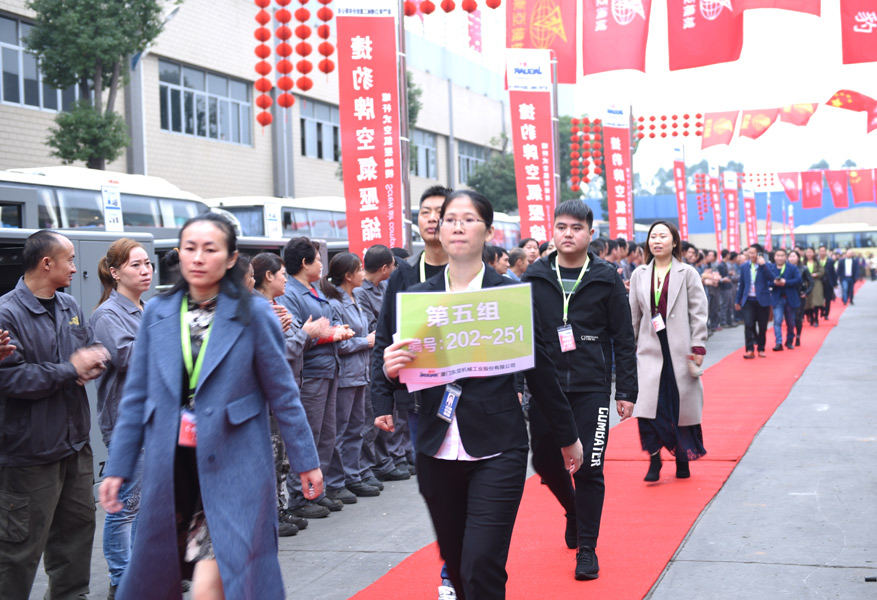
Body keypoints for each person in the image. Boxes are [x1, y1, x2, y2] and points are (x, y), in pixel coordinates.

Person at [99, 213, 322, 599]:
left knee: (212, 582)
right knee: (174, 574)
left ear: (231, 258)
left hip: (236, 465)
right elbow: (136, 398)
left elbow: (283, 394)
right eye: (190, 248)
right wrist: (118, 467)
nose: (198, 257)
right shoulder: (159, 313)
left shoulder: (254, 313)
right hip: (174, 469)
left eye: (210, 249)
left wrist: (307, 461)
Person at [374, 190, 583, 600]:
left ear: (488, 231)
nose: (457, 226)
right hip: (436, 445)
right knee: (458, 568)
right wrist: (389, 373)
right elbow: (396, 363)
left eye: (469, 219)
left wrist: (567, 435)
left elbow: (540, 370)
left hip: (498, 444)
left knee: (481, 563)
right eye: (450, 219)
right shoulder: (417, 298)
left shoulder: (509, 295)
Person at [522, 200, 637, 581]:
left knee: (589, 465)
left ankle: (587, 548)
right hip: (545, 386)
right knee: (544, 462)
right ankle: (572, 509)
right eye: (561, 227)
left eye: (576, 227)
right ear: (552, 231)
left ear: (590, 233)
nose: (568, 234)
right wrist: (518, 386)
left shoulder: (606, 276)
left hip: (592, 387)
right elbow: (519, 336)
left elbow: (623, 337)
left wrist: (626, 389)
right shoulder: (535, 276)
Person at [0, 230, 109, 600]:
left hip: (74, 446)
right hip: (30, 454)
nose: (75, 268)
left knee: (76, 538)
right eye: (70, 259)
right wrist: (70, 369)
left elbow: (90, 345)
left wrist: (96, 359)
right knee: (18, 552)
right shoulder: (7, 313)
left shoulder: (69, 306)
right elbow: (11, 379)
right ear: (47, 263)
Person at [90, 238, 154, 598]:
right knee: (124, 506)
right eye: (135, 265)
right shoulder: (107, 315)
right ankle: (121, 579)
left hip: (156, 420)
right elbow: (129, 358)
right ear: (115, 273)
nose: (145, 271)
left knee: (147, 504)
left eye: (147, 264)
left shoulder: (148, 309)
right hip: (128, 423)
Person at [252, 252, 329, 536]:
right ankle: (271, 513)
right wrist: (306, 333)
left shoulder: (276, 307)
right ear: (268, 276)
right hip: (270, 395)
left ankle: (279, 508)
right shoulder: (258, 311)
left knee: (281, 459)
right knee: (271, 458)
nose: (285, 280)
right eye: (282, 274)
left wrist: (306, 333)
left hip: (288, 386)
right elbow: (278, 354)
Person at [278, 237, 354, 519]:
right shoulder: (290, 294)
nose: (322, 264)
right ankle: (300, 496)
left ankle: (316, 491)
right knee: (308, 435)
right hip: (310, 373)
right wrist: (328, 335)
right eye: (318, 259)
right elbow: (298, 335)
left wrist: (335, 331)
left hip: (328, 368)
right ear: (304, 263)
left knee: (326, 434)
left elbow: (323, 327)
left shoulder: (314, 290)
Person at [629, 221, 708, 483]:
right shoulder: (640, 274)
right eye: (653, 236)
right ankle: (654, 458)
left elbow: (698, 311)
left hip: (679, 348)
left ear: (674, 242)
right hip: (649, 348)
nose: (657, 241)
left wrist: (698, 344)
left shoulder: (688, 273)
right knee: (648, 407)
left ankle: (683, 456)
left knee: (679, 405)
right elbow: (634, 315)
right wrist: (628, 347)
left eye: (663, 236)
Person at [320, 252, 381, 504]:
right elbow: (338, 342)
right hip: (345, 374)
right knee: (340, 430)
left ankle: (352, 475)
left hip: (360, 372)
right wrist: (365, 342)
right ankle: (335, 482)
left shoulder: (354, 298)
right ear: (348, 275)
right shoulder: (334, 303)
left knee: (356, 428)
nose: (363, 274)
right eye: (359, 269)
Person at [354, 245, 396, 491]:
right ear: (384, 268)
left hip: (386, 354)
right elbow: (372, 326)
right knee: (369, 418)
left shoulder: (384, 287)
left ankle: (383, 460)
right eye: (392, 266)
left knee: (385, 413)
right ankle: (366, 466)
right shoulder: (360, 292)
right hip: (371, 357)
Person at [735, 246, 773, 358]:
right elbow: (741, 285)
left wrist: (763, 265)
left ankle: (761, 348)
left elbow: (772, 278)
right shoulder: (744, 266)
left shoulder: (766, 265)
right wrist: (737, 300)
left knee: (762, 326)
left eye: (753, 253)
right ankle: (750, 349)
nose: (750, 255)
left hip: (762, 301)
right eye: (749, 253)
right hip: (748, 300)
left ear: (759, 254)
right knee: (748, 325)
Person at [765, 248, 801, 351]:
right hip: (777, 298)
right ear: (774, 257)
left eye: (782, 256)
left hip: (790, 298)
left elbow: (798, 280)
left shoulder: (792, 268)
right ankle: (778, 342)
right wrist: (774, 283)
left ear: (786, 257)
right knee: (777, 321)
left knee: (790, 322)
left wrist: (786, 282)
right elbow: (766, 282)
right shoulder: (770, 268)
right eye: (778, 255)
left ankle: (789, 340)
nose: (780, 258)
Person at [788, 250, 811, 347]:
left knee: (797, 318)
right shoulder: (785, 268)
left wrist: (806, 292)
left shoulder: (804, 268)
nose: (792, 258)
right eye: (790, 256)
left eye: (794, 256)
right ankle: (789, 338)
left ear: (798, 258)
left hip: (799, 295)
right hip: (788, 295)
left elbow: (811, 282)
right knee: (789, 318)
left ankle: (797, 337)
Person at [803, 247, 825, 326]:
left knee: (816, 302)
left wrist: (816, 274)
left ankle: (816, 319)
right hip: (806, 283)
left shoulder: (817, 262)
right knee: (808, 303)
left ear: (813, 253)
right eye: (807, 252)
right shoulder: (803, 262)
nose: (809, 254)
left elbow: (822, 271)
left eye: (810, 252)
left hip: (816, 283)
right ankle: (811, 318)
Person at [817, 245, 836, 321]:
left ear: (826, 251)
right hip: (819, 283)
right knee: (819, 298)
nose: (822, 252)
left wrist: (834, 283)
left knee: (828, 299)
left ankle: (826, 314)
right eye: (820, 251)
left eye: (823, 251)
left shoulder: (830, 261)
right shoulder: (817, 261)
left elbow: (833, 272)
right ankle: (822, 309)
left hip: (828, 283)